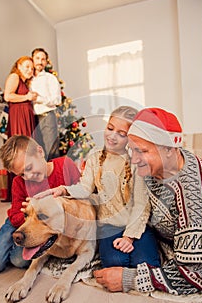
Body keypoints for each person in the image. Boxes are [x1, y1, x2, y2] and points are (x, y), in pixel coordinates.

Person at [94, 107, 202, 296]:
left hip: (177, 250)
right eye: (132, 149)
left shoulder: (195, 189)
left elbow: (201, 272)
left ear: (169, 149)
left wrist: (130, 279)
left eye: (142, 151)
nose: (134, 159)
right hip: (147, 234)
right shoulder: (151, 169)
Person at [35, 106, 161, 269]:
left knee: (147, 264)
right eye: (110, 128)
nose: (112, 136)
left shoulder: (136, 162)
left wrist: (129, 238)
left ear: (131, 137)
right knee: (115, 262)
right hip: (109, 226)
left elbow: (141, 205)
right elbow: (85, 188)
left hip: (135, 224)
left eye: (121, 134)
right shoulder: (95, 158)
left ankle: (142, 246)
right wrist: (64, 190)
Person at [0, 135, 80, 274]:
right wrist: (30, 211)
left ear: (40, 152)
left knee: (19, 260)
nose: (28, 176)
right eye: (22, 174)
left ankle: (11, 248)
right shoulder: (18, 183)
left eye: (29, 168)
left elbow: (81, 196)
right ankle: (4, 239)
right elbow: (16, 214)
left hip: (42, 223)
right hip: (19, 221)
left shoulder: (66, 165)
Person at [3, 56, 38, 202]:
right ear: (19, 65)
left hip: (26, 119)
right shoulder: (14, 76)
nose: (30, 70)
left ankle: (28, 191)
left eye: (32, 68)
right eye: (27, 66)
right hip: (18, 119)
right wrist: (27, 97)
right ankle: (18, 192)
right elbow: (8, 96)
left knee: (28, 150)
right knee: (20, 150)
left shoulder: (25, 82)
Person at [31, 47, 62, 160]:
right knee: (36, 152)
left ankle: (55, 177)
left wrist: (38, 98)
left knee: (51, 151)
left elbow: (57, 100)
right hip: (30, 118)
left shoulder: (50, 78)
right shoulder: (28, 79)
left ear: (46, 62)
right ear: (32, 59)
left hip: (46, 116)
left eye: (43, 59)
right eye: (37, 58)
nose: (40, 61)